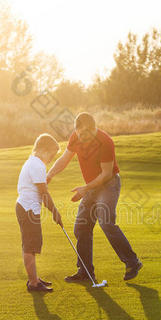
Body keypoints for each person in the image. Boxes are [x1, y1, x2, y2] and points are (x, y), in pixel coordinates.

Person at [47, 112, 142, 282]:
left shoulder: (105, 142)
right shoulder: (75, 138)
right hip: (91, 186)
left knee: (106, 223)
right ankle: (85, 272)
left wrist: (85, 188)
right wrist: (49, 175)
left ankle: (132, 262)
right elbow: (64, 159)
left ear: (94, 129)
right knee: (81, 228)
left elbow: (106, 174)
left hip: (108, 185)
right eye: (80, 133)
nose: (83, 137)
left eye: (86, 133)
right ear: (76, 130)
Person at [16, 133, 63, 292]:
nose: (51, 158)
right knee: (30, 246)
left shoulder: (33, 162)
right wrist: (55, 212)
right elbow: (44, 192)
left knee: (32, 244)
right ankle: (33, 283)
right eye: (52, 154)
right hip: (28, 208)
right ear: (44, 149)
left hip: (27, 207)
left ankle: (34, 278)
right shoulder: (37, 165)